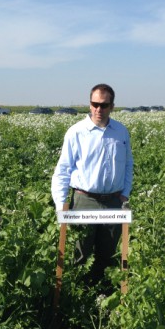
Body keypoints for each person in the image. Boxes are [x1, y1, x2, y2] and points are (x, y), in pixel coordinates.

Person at [51, 84, 133, 290]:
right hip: (84, 200)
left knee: (108, 254)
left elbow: (129, 164)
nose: (98, 109)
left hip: (114, 201)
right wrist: (61, 204)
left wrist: (124, 193)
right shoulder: (76, 132)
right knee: (81, 253)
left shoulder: (121, 132)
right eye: (95, 104)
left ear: (112, 106)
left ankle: (103, 297)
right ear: (90, 104)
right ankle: (78, 298)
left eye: (104, 105)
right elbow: (63, 169)